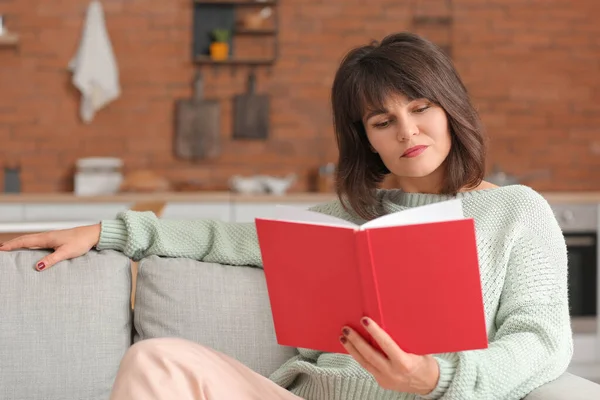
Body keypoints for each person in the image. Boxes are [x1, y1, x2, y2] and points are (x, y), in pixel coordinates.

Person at [0, 32, 572, 400]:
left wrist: (434, 378)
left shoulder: (515, 212)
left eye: (421, 109)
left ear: (451, 110)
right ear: (366, 140)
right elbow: (219, 238)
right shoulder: (341, 218)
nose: (407, 131)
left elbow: (541, 340)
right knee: (156, 360)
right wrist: (106, 231)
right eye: (381, 122)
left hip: (431, 396)